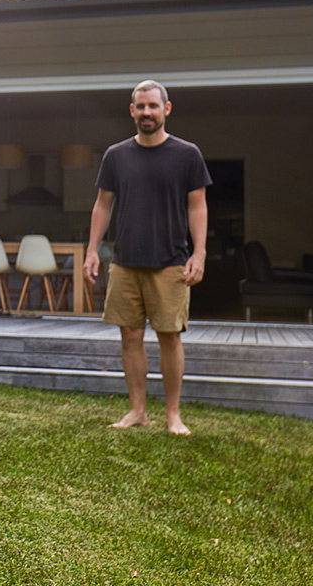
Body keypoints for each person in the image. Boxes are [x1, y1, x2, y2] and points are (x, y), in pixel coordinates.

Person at [83, 80, 211, 435]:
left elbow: (198, 206)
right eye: (140, 107)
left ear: (166, 109)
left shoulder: (187, 154)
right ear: (132, 111)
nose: (146, 113)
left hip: (171, 260)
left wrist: (199, 253)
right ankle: (137, 411)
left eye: (153, 106)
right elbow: (102, 205)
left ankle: (173, 415)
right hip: (124, 261)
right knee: (129, 337)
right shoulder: (116, 155)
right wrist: (92, 251)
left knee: (170, 336)